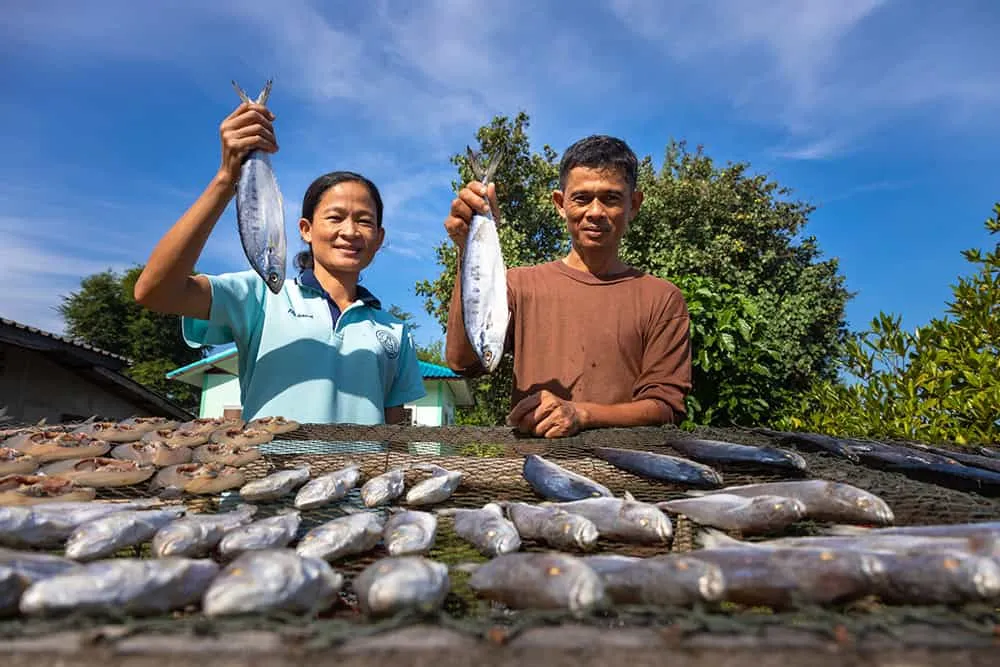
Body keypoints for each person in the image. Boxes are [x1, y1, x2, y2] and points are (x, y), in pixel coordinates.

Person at [133, 97, 426, 425]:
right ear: (306, 230)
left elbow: (396, 431)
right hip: (269, 476)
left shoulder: (396, 331)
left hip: (360, 478)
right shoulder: (259, 296)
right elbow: (154, 292)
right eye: (335, 217)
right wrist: (226, 180)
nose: (350, 231)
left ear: (380, 238)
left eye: (364, 221)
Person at [443, 134, 692, 438]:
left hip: (626, 475)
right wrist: (466, 249)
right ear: (560, 204)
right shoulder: (518, 285)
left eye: (611, 198)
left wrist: (582, 414)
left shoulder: (663, 299)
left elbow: (666, 407)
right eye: (582, 198)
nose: (596, 212)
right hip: (531, 473)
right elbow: (463, 361)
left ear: (634, 204)